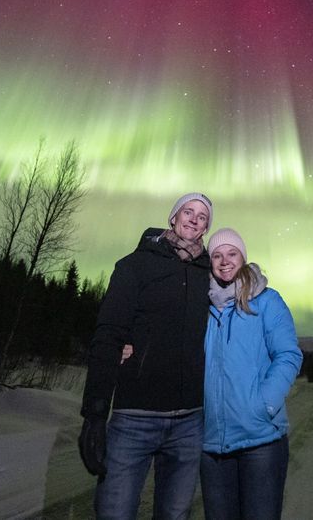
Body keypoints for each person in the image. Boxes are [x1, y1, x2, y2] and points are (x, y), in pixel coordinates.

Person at [78, 192, 213, 520]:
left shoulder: (210, 276)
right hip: (134, 419)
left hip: (189, 423)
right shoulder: (134, 266)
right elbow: (108, 335)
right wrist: (95, 414)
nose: (194, 219)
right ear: (173, 217)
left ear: (207, 227)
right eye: (188, 211)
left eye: (203, 216)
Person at [200, 227, 303, 520]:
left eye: (232, 253)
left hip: (261, 442)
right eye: (216, 255)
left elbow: (288, 355)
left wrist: (263, 405)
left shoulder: (267, 301)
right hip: (213, 446)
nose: (224, 261)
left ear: (243, 257)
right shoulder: (202, 306)